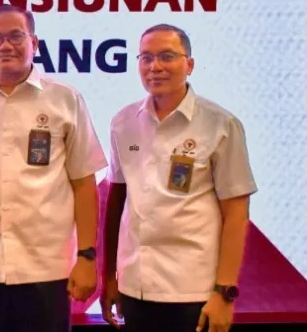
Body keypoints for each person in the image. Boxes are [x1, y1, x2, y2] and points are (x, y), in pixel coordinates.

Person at [0, 4, 107, 332]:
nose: (5, 46)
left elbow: (84, 184)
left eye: (16, 36)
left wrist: (87, 256)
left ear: (34, 43)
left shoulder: (65, 100)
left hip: (47, 266)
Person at [99, 24, 257, 332]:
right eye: (146, 58)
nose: (155, 66)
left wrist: (224, 292)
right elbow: (117, 203)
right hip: (135, 286)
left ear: (190, 64)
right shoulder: (123, 122)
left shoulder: (221, 124)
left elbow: (236, 212)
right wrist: (109, 277)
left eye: (167, 56)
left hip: (193, 290)